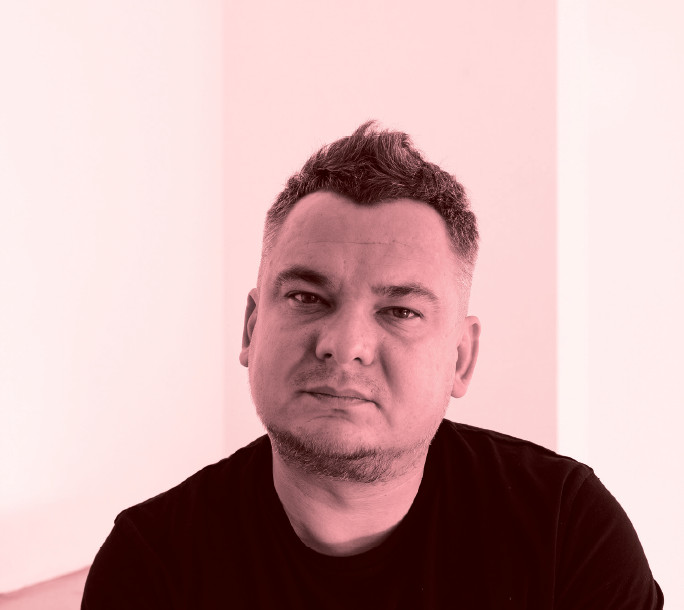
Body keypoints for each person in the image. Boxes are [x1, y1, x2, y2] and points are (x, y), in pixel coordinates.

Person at [81, 122, 663, 609]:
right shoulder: (153, 564)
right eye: (307, 297)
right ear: (252, 328)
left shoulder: (566, 531)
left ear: (461, 359)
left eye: (400, 311)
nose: (344, 344)